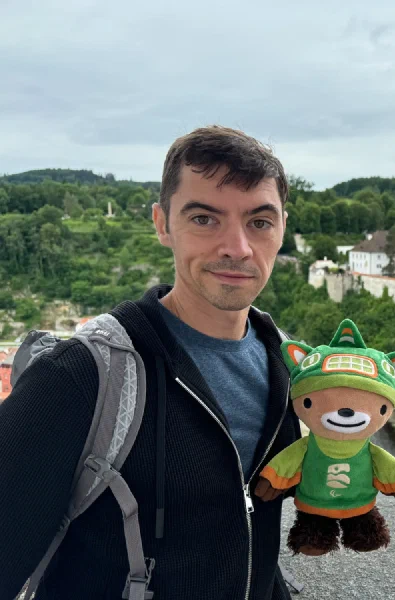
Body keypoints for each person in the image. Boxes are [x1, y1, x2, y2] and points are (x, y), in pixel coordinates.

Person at [0, 126, 301, 600]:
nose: (238, 248)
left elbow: (248, 536)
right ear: (163, 224)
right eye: (204, 219)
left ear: (283, 227)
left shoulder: (286, 367)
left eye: (259, 222)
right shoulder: (82, 376)